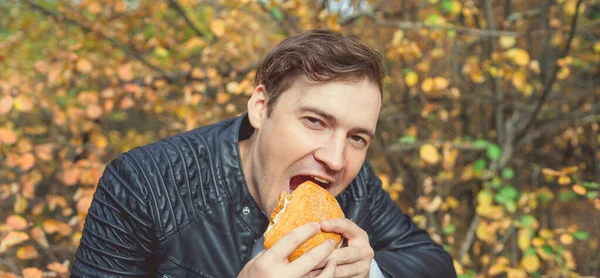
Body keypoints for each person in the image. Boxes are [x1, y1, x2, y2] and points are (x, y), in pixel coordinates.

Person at [71, 30, 456, 278]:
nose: (337, 160)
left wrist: (369, 270)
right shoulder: (144, 183)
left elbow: (435, 265)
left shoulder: (354, 189)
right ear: (261, 107)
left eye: (357, 138)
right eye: (316, 121)